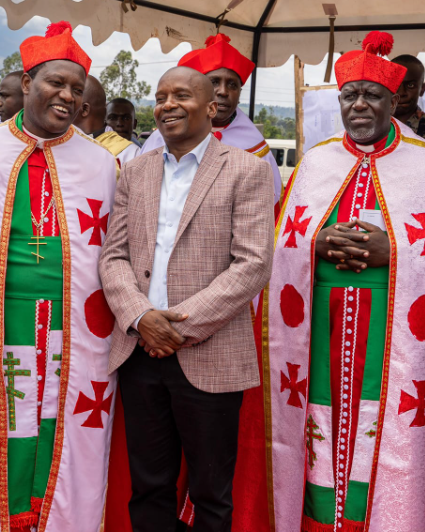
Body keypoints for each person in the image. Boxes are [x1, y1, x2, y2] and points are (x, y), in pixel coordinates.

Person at [260, 32, 425, 531]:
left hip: (392, 332)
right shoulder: (315, 163)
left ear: (394, 102)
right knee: (320, 422)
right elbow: (277, 244)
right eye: (349, 96)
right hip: (320, 327)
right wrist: (314, 245)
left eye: (373, 96)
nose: (359, 105)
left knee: (386, 429)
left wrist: (396, 249)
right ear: (339, 101)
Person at [0, 21, 118, 532]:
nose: (67, 96)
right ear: (27, 80)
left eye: (77, 90)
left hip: (74, 329)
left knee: (60, 425)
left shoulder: (101, 165)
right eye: (56, 83)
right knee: (4, 424)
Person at [99, 66, 275, 532]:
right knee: (150, 486)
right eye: (160, 97)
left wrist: (176, 328)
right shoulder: (134, 172)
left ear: (212, 109)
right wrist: (140, 317)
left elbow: (252, 264)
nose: (167, 105)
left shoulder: (247, 170)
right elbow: (113, 257)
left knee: (211, 494)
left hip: (210, 354)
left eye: (181, 95)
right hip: (140, 352)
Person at [140, 34, 283, 205]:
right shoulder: (160, 140)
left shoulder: (255, 148)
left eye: (232, 85)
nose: (223, 91)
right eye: (214, 82)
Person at [97, 98, 141, 167]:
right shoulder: (94, 149)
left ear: (134, 124)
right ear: (104, 123)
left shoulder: (139, 153)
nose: (119, 124)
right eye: (112, 118)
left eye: (126, 118)